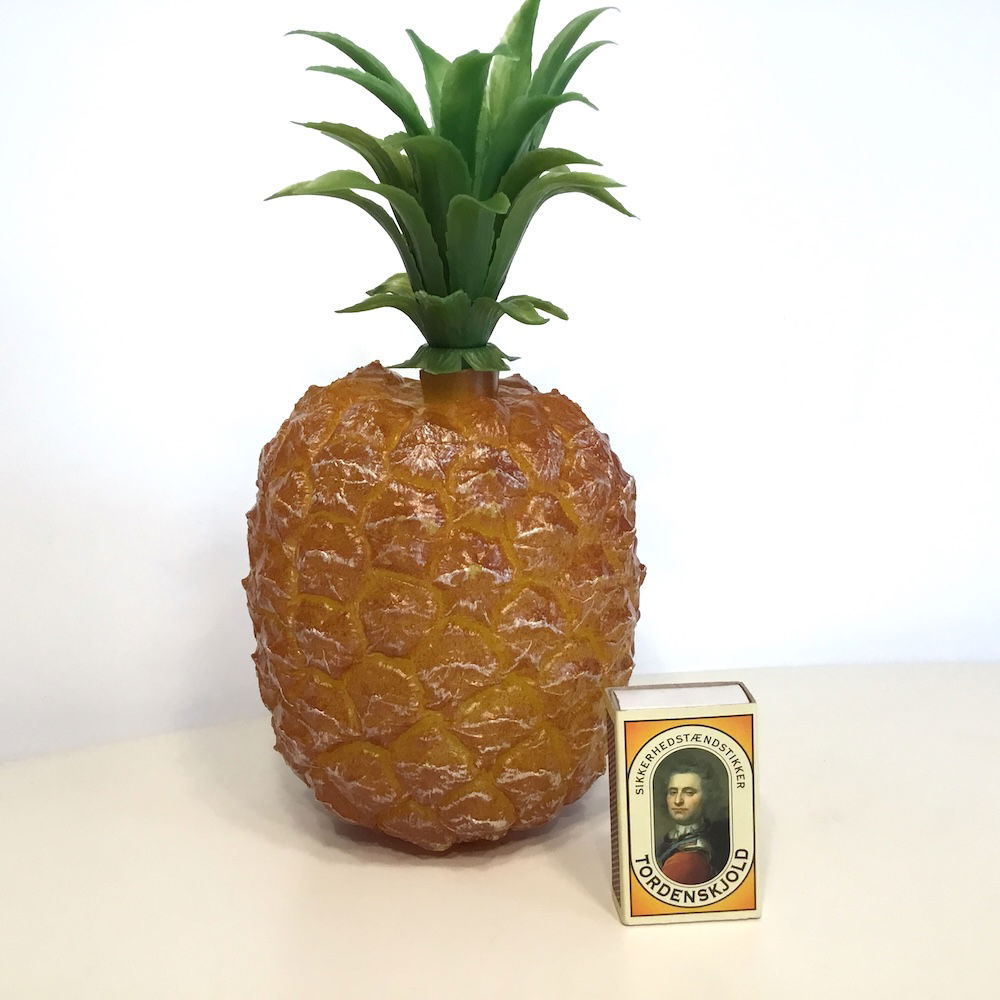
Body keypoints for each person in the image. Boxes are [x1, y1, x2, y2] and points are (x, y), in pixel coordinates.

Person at [655, 758, 726, 885]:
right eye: (673, 792)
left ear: (706, 796)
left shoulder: (691, 858)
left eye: (688, 792)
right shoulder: (668, 839)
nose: (678, 801)